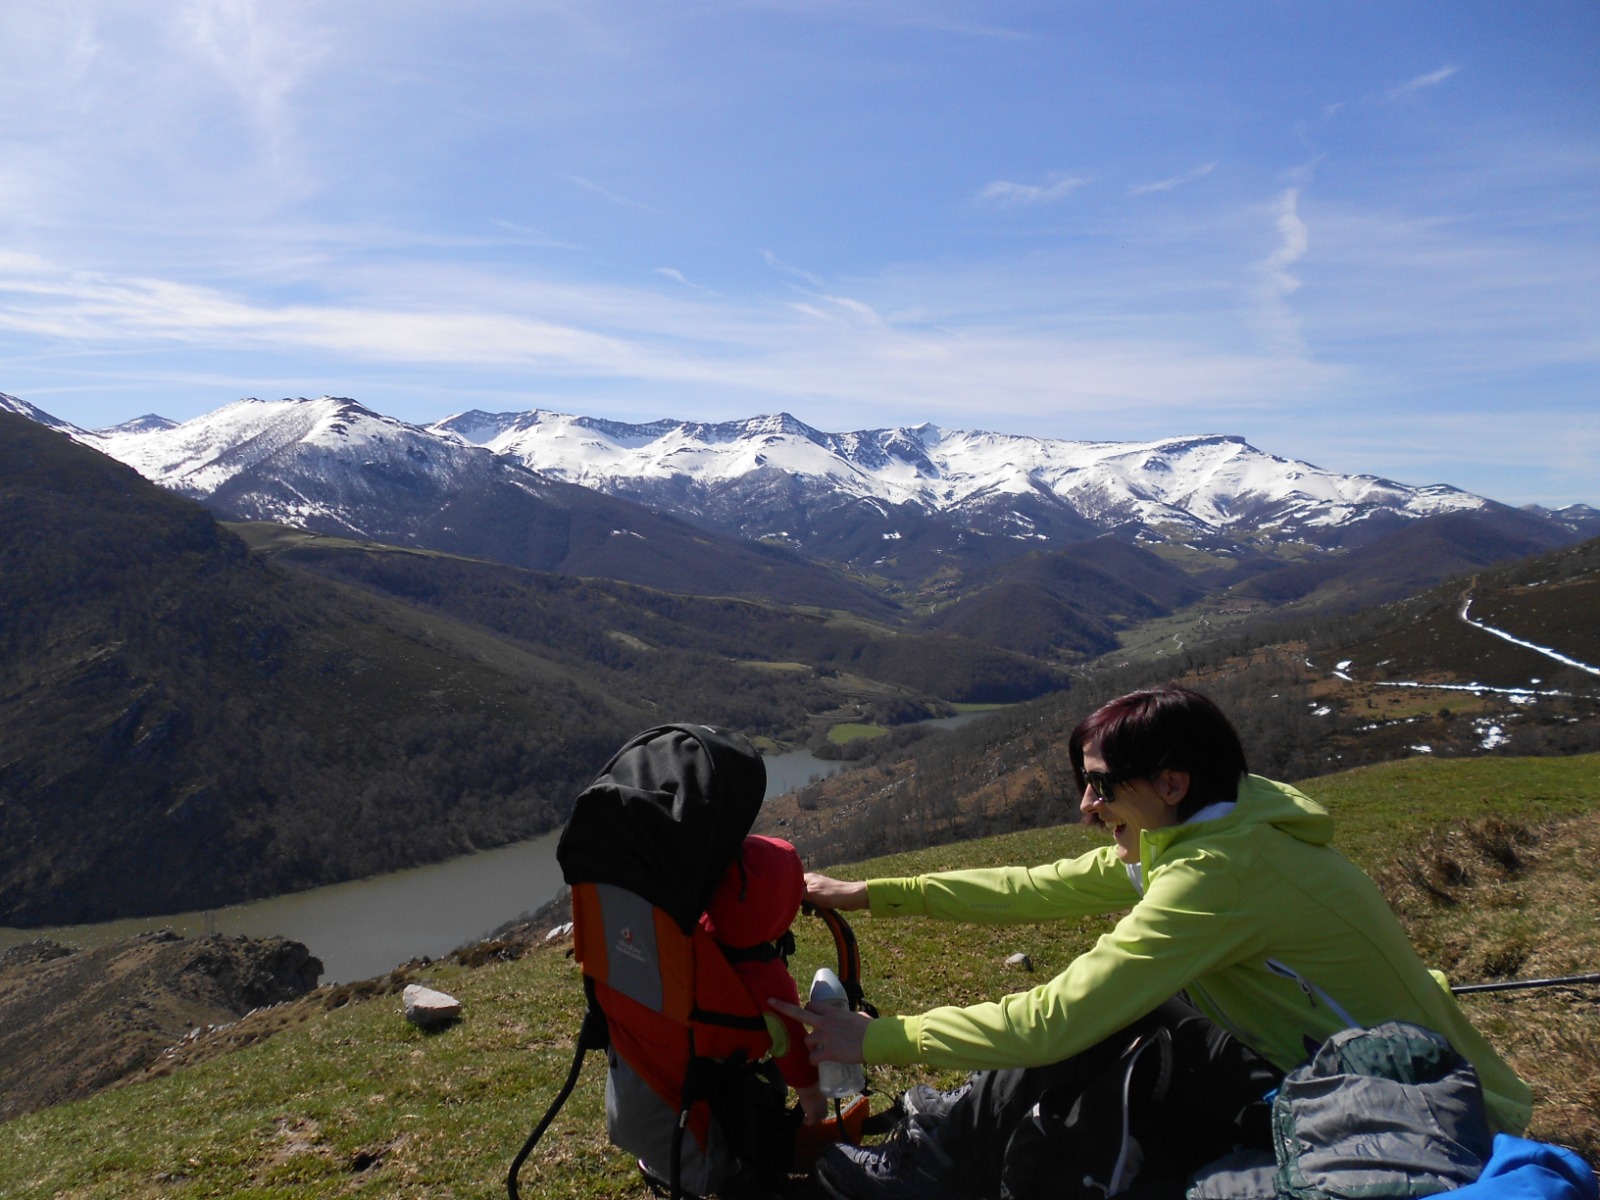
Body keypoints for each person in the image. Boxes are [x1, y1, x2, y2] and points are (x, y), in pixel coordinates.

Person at [771, 684, 1532, 1200]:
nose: (1086, 806)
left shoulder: (1220, 875)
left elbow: (1051, 1023)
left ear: (1171, 784)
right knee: (1129, 1003)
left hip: (1408, 1111)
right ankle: (949, 1138)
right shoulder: (1228, 826)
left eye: (1101, 785)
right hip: (1369, 1072)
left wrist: (873, 1037)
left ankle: (932, 1166)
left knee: (1107, 1011)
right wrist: (872, 894)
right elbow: (1038, 886)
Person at [701, 833, 829, 1127]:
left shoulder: (698, 934)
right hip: (728, 1073)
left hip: (681, 1059)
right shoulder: (764, 976)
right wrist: (813, 1101)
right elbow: (788, 1044)